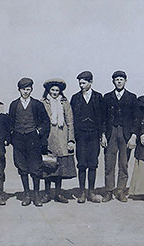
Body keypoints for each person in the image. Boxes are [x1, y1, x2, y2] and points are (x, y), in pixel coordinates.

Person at [9, 77, 51, 207]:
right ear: (19, 90)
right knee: (22, 167)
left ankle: (36, 195)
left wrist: (38, 132)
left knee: (35, 167)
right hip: (19, 139)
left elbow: (46, 122)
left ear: (31, 89)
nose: (25, 92)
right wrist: (12, 137)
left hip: (33, 139)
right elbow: (10, 123)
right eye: (23, 89)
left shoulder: (37, 104)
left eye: (28, 89)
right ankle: (27, 194)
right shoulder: (14, 104)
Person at [101, 70, 138, 203]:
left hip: (125, 134)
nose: (119, 81)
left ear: (125, 81)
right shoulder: (107, 97)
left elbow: (136, 119)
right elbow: (103, 118)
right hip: (111, 133)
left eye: (121, 79)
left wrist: (134, 135)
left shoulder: (132, 97)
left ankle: (120, 190)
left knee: (123, 163)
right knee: (109, 163)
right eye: (116, 79)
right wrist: (103, 134)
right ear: (113, 81)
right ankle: (109, 191)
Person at [40, 79, 77, 203]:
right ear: (48, 91)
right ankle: (46, 194)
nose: (55, 92)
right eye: (52, 90)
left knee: (60, 168)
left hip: (62, 137)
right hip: (48, 137)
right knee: (47, 165)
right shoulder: (43, 103)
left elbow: (70, 121)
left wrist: (70, 140)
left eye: (57, 90)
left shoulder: (64, 102)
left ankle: (58, 193)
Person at [70, 71, 104, 203]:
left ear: (90, 82)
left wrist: (102, 135)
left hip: (94, 134)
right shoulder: (75, 98)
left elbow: (102, 117)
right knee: (82, 163)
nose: (81, 85)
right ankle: (82, 192)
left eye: (83, 83)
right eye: (79, 83)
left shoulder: (98, 97)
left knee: (93, 163)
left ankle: (91, 192)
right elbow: (72, 118)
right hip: (81, 135)